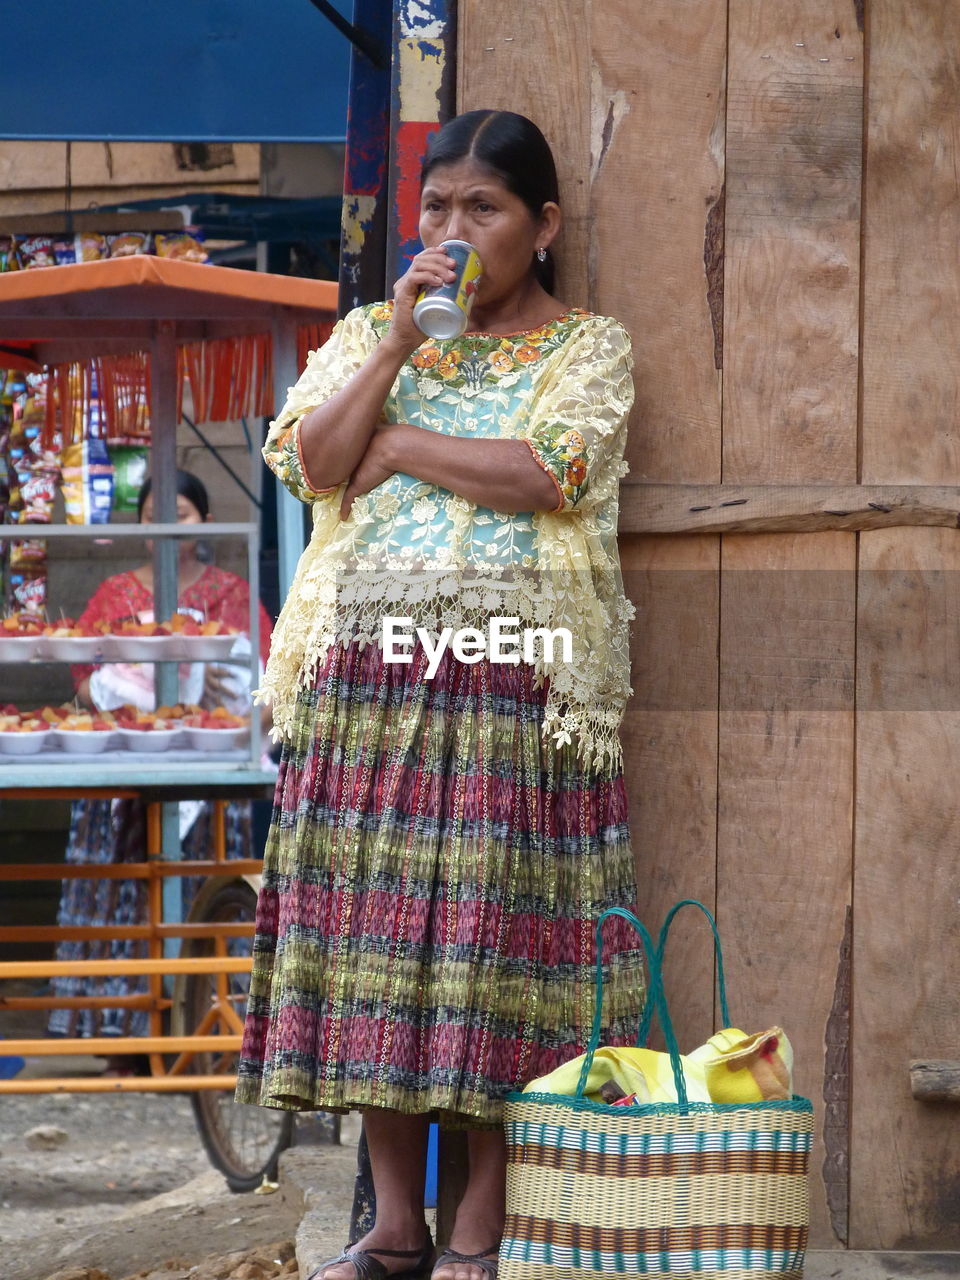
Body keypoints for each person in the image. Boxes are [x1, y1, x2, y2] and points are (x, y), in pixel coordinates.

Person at [237, 110, 644, 1280]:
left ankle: (478, 1228)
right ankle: (393, 1227)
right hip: (366, 674)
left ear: (544, 225)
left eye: (485, 209)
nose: (453, 231)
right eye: (438, 209)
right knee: (374, 950)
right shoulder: (372, 329)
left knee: (491, 953)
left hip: (513, 676)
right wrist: (397, 356)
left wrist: (403, 445)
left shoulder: (587, 348)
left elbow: (549, 471)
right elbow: (314, 460)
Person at [48, 469, 273, 1070]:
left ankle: (202, 1030)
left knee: (200, 891)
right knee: (123, 892)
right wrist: (123, 691)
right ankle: (116, 1030)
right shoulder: (115, 592)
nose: (167, 525)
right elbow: (83, 678)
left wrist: (220, 702)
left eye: (181, 512)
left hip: (208, 770)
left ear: (203, 522)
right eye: (153, 514)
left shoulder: (229, 592)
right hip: (118, 769)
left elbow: (265, 678)